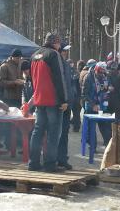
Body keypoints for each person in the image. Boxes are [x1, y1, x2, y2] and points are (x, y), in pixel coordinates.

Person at [28, 33, 68, 172]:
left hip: (39, 100)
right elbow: (59, 78)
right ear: (55, 43)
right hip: (53, 100)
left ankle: (33, 163)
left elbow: (32, 80)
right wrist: (64, 100)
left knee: (37, 132)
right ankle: (50, 164)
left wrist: (35, 97)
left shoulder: (34, 55)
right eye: (59, 43)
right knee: (53, 133)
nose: (60, 46)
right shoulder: (53, 55)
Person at [83, 62, 112, 146]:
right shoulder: (88, 77)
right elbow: (84, 94)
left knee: (105, 126)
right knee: (91, 128)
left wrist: (110, 89)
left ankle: (108, 146)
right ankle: (93, 147)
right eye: (100, 72)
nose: (101, 74)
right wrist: (93, 105)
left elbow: (107, 89)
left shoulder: (105, 77)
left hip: (103, 106)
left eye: (103, 72)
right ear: (95, 70)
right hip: (91, 106)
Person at [57, 44, 75, 170]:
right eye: (64, 51)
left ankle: (63, 159)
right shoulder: (57, 64)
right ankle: (56, 159)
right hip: (59, 104)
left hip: (68, 104)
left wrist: (70, 100)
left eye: (67, 51)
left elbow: (69, 84)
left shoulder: (67, 65)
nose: (66, 53)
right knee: (57, 133)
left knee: (64, 133)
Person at [71, 60, 85, 132]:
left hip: (76, 96)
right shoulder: (86, 73)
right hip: (80, 96)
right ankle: (76, 124)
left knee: (76, 112)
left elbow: (74, 86)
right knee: (77, 112)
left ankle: (76, 126)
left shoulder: (77, 74)